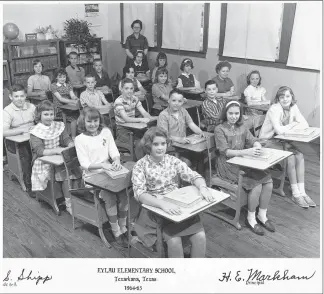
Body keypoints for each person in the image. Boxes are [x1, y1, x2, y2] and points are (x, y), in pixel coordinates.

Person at [132, 127, 215, 257]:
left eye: (163, 144)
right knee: (174, 241)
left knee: (200, 236)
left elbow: (193, 176)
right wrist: (162, 204)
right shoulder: (140, 165)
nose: (160, 148)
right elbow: (140, 195)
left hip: (177, 207)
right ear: (148, 145)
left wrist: (203, 188)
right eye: (155, 144)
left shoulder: (172, 160)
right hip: (154, 211)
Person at [214, 100, 275, 235]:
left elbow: (252, 140)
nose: (234, 116)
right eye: (231, 113)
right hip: (227, 164)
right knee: (257, 185)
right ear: (225, 113)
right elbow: (225, 152)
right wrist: (245, 152)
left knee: (269, 181)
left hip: (243, 161)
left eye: (237, 113)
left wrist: (257, 145)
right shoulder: (219, 129)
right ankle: (251, 218)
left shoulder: (242, 127)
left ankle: (262, 215)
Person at [75, 107, 128, 248]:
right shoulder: (80, 139)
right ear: (83, 121)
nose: (93, 124)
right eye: (89, 121)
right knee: (109, 195)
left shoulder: (106, 132)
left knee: (124, 193)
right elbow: (85, 164)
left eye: (96, 120)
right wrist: (103, 166)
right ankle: (116, 231)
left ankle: (124, 228)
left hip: (109, 172)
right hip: (92, 177)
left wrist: (116, 160)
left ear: (100, 120)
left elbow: (113, 151)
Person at [259, 86, 316, 208]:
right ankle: (296, 194)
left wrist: (290, 127)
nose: (285, 99)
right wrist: (294, 125)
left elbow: (304, 124)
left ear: (292, 97)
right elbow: (279, 130)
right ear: (278, 98)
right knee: (290, 157)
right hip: (267, 141)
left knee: (300, 156)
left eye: (287, 96)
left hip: (281, 140)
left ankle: (302, 192)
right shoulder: (275, 108)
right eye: (281, 96)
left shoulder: (293, 107)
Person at [29, 100, 81, 214]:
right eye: (46, 114)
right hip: (43, 160)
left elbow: (65, 139)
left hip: (58, 156)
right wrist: (57, 150)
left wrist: (70, 144)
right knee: (65, 174)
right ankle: (68, 204)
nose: (49, 117)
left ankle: (75, 198)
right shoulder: (36, 131)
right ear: (39, 115)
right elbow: (39, 151)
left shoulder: (58, 125)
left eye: (51, 114)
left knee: (76, 167)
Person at [3, 84, 35, 197]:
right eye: (16, 96)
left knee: (41, 150)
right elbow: (3, 132)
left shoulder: (31, 107)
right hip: (14, 142)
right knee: (26, 154)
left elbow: (38, 122)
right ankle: (30, 185)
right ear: (11, 97)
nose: (19, 99)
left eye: (22, 96)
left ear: (26, 95)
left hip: (32, 138)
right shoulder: (7, 111)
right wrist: (22, 130)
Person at [157, 89, 204, 167]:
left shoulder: (183, 111)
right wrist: (178, 139)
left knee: (200, 156)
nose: (176, 103)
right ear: (168, 101)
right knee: (186, 163)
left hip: (183, 145)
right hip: (169, 147)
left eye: (179, 101)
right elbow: (163, 135)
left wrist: (200, 132)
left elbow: (191, 123)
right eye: (174, 100)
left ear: (183, 102)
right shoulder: (163, 115)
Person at [114, 78, 154, 160]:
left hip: (133, 127)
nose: (129, 91)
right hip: (122, 130)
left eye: (131, 88)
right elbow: (126, 119)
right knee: (139, 143)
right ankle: (140, 163)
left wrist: (149, 117)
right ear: (121, 89)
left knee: (149, 138)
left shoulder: (134, 98)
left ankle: (149, 160)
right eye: (126, 88)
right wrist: (141, 120)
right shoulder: (118, 101)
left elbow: (144, 112)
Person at [50, 68, 80, 140]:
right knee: (73, 118)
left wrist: (75, 98)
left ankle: (76, 133)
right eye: (60, 77)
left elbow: (72, 95)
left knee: (80, 114)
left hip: (69, 107)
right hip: (59, 108)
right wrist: (71, 101)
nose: (62, 79)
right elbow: (60, 98)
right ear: (56, 77)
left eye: (64, 77)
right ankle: (73, 137)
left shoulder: (68, 84)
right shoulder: (53, 86)